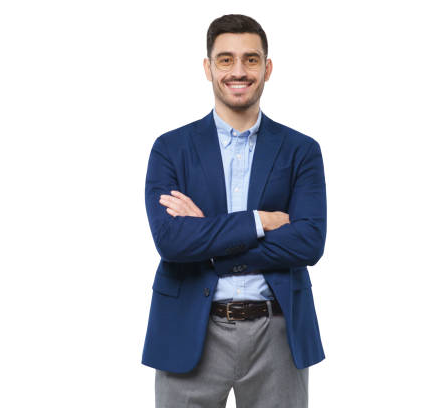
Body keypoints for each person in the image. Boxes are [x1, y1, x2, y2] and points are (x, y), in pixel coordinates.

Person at [142, 14, 327, 408]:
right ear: (208, 68)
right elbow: (171, 241)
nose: (238, 71)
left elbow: (309, 243)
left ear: (267, 68)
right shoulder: (170, 149)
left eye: (251, 59)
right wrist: (258, 222)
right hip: (190, 330)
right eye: (225, 60)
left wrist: (207, 236)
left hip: (277, 333)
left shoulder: (301, 151)